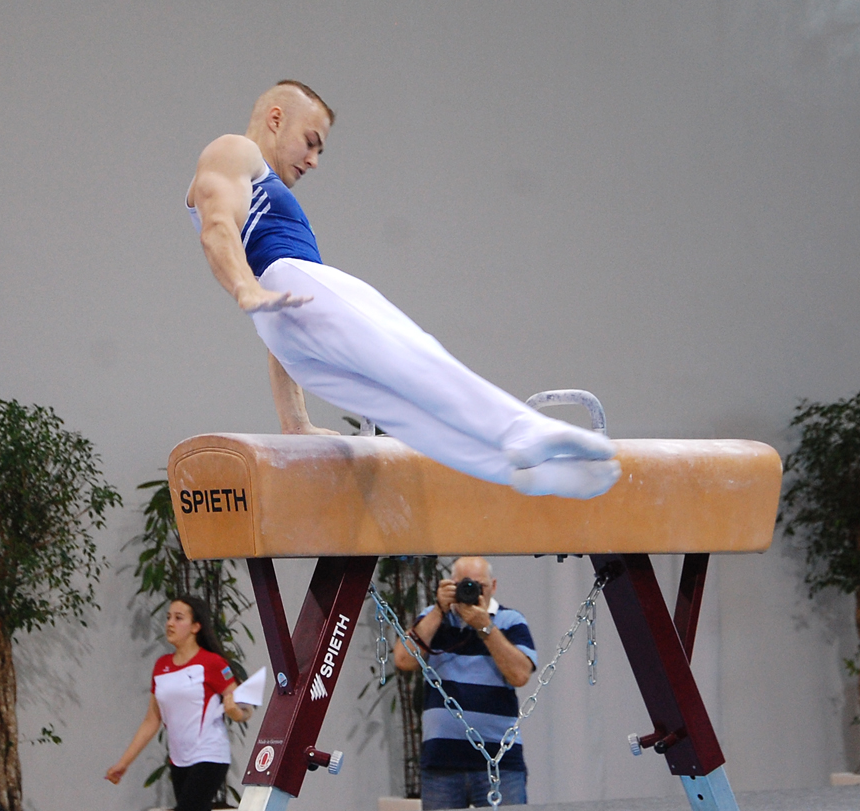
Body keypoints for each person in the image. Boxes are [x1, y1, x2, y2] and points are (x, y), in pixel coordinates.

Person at [187, 80, 621, 500]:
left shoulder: (261, 197)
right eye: (311, 140)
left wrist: (295, 422)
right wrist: (245, 288)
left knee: (400, 410)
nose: (315, 159)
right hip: (284, 284)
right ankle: (522, 430)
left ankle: (520, 470)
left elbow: (278, 302)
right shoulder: (234, 151)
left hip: (283, 335)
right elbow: (217, 224)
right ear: (276, 119)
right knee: (415, 354)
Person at [393, 557, 536, 808]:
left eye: (476, 584)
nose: (469, 590)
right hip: (441, 763)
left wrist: (485, 627)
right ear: (449, 584)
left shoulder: (510, 621)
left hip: (499, 763)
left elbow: (520, 675)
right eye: (462, 584)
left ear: (493, 586)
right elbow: (404, 660)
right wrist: (439, 609)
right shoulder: (434, 618)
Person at [105, 595, 253, 811]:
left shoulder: (212, 663)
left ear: (196, 626)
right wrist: (123, 763)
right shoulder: (161, 666)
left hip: (209, 755)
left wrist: (236, 713)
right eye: (168, 617)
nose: (170, 623)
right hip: (178, 760)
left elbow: (245, 707)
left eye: (178, 618)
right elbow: (151, 720)